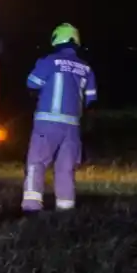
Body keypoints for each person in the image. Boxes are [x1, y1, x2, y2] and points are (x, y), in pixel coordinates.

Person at [21, 23, 97, 212]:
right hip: (72, 127)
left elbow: (31, 85)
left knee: (36, 163)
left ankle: (31, 207)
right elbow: (91, 100)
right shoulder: (86, 68)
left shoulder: (48, 61)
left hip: (47, 123)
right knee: (66, 168)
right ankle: (66, 209)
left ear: (56, 39)